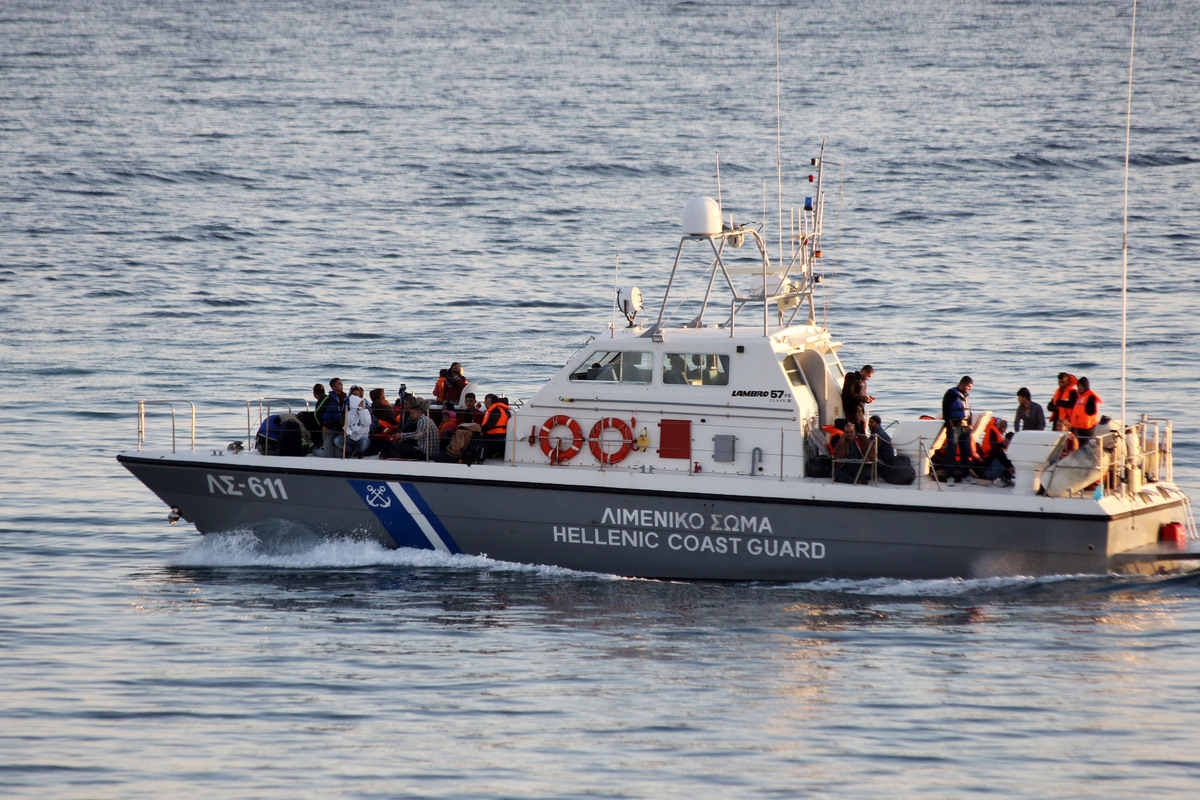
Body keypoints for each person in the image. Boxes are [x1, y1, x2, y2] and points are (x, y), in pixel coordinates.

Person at [941, 375, 976, 485]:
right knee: (951, 452)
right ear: (962, 384)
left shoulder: (966, 396)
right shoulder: (951, 394)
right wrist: (950, 425)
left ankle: (965, 476)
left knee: (966, 452)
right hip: (954, 427)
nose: (969, 389)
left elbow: (969, 412)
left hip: (965, 428)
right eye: (968, 386)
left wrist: (970, 425)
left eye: (970, 387)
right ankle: (950, 477)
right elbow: (945, 410)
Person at [315, 377, 348, 457]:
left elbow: (349, 415)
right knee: (329, 455)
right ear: (333, 387)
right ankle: (314, 450)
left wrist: (345, 429)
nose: (341, 386)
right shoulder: (327, 399)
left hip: (340, 430)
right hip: (328, 429)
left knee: (338, 454)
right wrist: (323, 426)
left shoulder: (346, 399)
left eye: (341, 384)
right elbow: (317, 414)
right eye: (339, 384)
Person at [1069, 376, 1104, 441]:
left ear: (1086, 386)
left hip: (1087, 428)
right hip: (1077, 427)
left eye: (1081, 386)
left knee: (1084, 447)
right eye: (1078, 385)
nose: (1079, 387)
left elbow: (1092, 411)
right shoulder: (1080, 396)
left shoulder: (1090, 396)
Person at [841, 367, 875, 432]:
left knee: (862, 428)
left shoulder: (863, 383)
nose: (868, 378)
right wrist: (864, 398)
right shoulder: (852, 379)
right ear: (863, 372)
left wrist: (868, 399)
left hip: (860, 409)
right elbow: (849, 393)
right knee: (858, 429)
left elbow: (860, 395)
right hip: (853, 409)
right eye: (868, 376)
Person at [479, 393, 511, 459]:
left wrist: (481, 430)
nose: (485, 404)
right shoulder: (504, 410)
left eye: (487, 402)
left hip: (494, 437)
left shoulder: (495, 411)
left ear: (493, 402)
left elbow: (489, 425)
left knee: (476, 437)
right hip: (502, 436)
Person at [344, 387, 372, 458]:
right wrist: (349, 432)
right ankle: (350, 451)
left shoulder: (366, 412)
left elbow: (367, 423)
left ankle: (359, 452)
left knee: (364, 442)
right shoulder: (349, 413)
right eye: (354, 394)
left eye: (358, 394)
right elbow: (346, 426)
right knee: (337, 440)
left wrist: (360, 411)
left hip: (362, 437)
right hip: (352, 438)